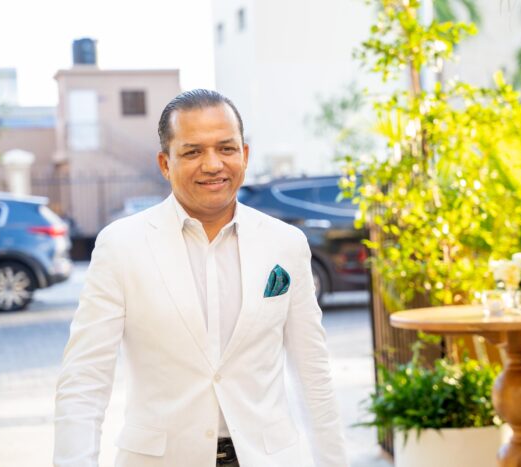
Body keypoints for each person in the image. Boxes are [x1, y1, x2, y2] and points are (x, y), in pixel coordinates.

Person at [54, 89, 349, 467]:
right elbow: (84, 381)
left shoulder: (286, 243)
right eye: (193, 152)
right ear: (165, 163)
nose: (213, 164)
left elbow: (313, 372)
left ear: (245, 155)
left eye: (226, 148)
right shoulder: (121, 245)